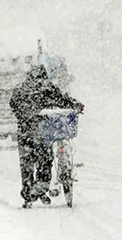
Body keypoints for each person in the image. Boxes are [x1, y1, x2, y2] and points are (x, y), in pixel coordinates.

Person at [9, 64, 83, 208]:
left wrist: (24, 116)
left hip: (25, 133)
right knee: (45, 160)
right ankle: (41, 186)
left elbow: (13, 105)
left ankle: (28, 193)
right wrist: (75, 104)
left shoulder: (20, 89)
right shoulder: (47, 87)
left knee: (26, 164)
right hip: (42, 132)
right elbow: (62, 100)